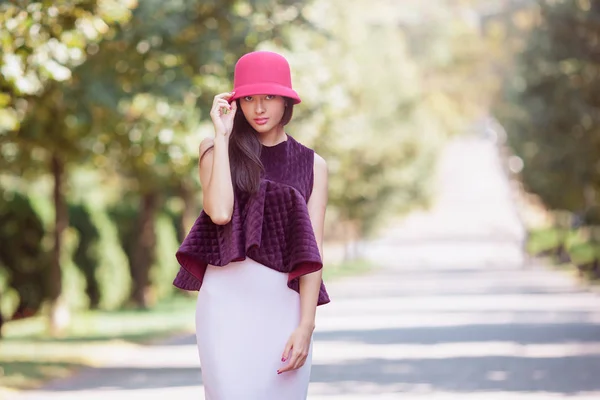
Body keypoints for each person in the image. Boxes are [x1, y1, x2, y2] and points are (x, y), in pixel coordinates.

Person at [172, 50, 331, 400]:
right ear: (236, 103)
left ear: (286, 101)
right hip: (224, 305)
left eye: (269, 97)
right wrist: (223, 135)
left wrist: (306, 326)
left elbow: (314, 251)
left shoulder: (312, 164)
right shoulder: (215, 148)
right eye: (248, 99)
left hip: (282, 308)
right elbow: (220, 212)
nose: (259, 108)